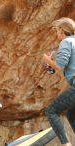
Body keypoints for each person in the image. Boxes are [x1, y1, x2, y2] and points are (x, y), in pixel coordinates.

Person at [43, 17, 75, 146]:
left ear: (61, 31)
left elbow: (60, 65)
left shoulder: (66, 42)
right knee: (70, 112)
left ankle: (66, 144)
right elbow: (70, 77)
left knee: (51, 111)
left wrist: (47, 60)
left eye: (56, 31)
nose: (57, 34)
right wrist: (61, 95)